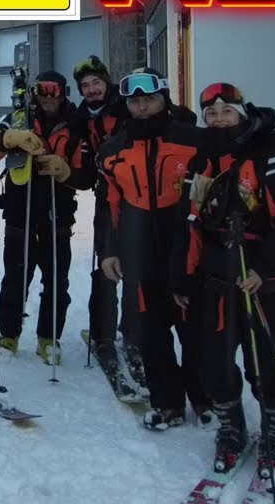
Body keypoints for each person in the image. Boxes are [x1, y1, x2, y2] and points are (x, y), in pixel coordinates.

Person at [172, 83, 275, 473]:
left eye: (225, 112)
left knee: (264, 361)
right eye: (210, 114)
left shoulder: (272, 153)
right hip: (216, 277)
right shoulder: (203, 161)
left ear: (241, 112)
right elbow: (190, 225)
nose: (217, 120)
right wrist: (182, 278)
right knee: (214, 364)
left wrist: (263, 268)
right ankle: (231, 429)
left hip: (263, 278)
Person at [98, 68, 211, 429]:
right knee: (150, 330)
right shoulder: (113, 149)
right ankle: (168, 403)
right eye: (136, 102)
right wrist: (109, 250)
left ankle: (205, 397)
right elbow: (109, 204)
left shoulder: (195, 140)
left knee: (193, 328)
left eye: (150, 100)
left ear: (164, 99)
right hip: (137, 246)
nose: (143, 107)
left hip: (186, 246)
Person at [0, 70, 91, 365]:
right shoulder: (19, 117)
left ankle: (48, 337)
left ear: (63, 92)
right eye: (41, 90)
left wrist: (66, 170)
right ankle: (9, 333)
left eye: (53, 90)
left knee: (56, 280)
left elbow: (87, 178)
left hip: (57, 214)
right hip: (19, 212)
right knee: (15, 278)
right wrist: (8, 138)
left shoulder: (75, 125)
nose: (47, 96)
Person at [72, 56, 145, 378]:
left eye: (96, 83)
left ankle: (132, 331)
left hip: (140, 196)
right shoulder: (80, 117)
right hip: (106, 196)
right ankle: (102, 333)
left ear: (107, 82)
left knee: (136, 265)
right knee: (105, 263)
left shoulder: (126, 105)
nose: (91, 90)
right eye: (85, 86)